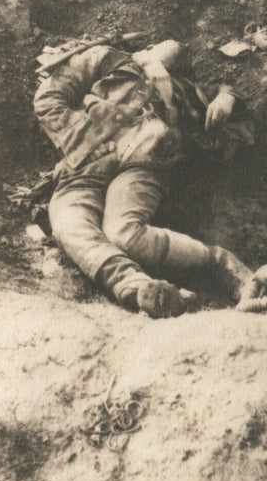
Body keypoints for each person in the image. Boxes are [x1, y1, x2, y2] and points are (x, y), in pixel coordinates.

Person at [33, 38, 254, 318]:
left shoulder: (186, 92)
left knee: (123, 233)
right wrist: (85, 137)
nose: (170, 56)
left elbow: (236, 111)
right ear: (147, 49)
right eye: (163, 49)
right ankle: (138, 287)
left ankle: (219, 263)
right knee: (67, 223)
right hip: (84, 166)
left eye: (175, 58)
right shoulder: (108, 61)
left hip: (141, 165)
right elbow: (48, 98)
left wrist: (227, 99)